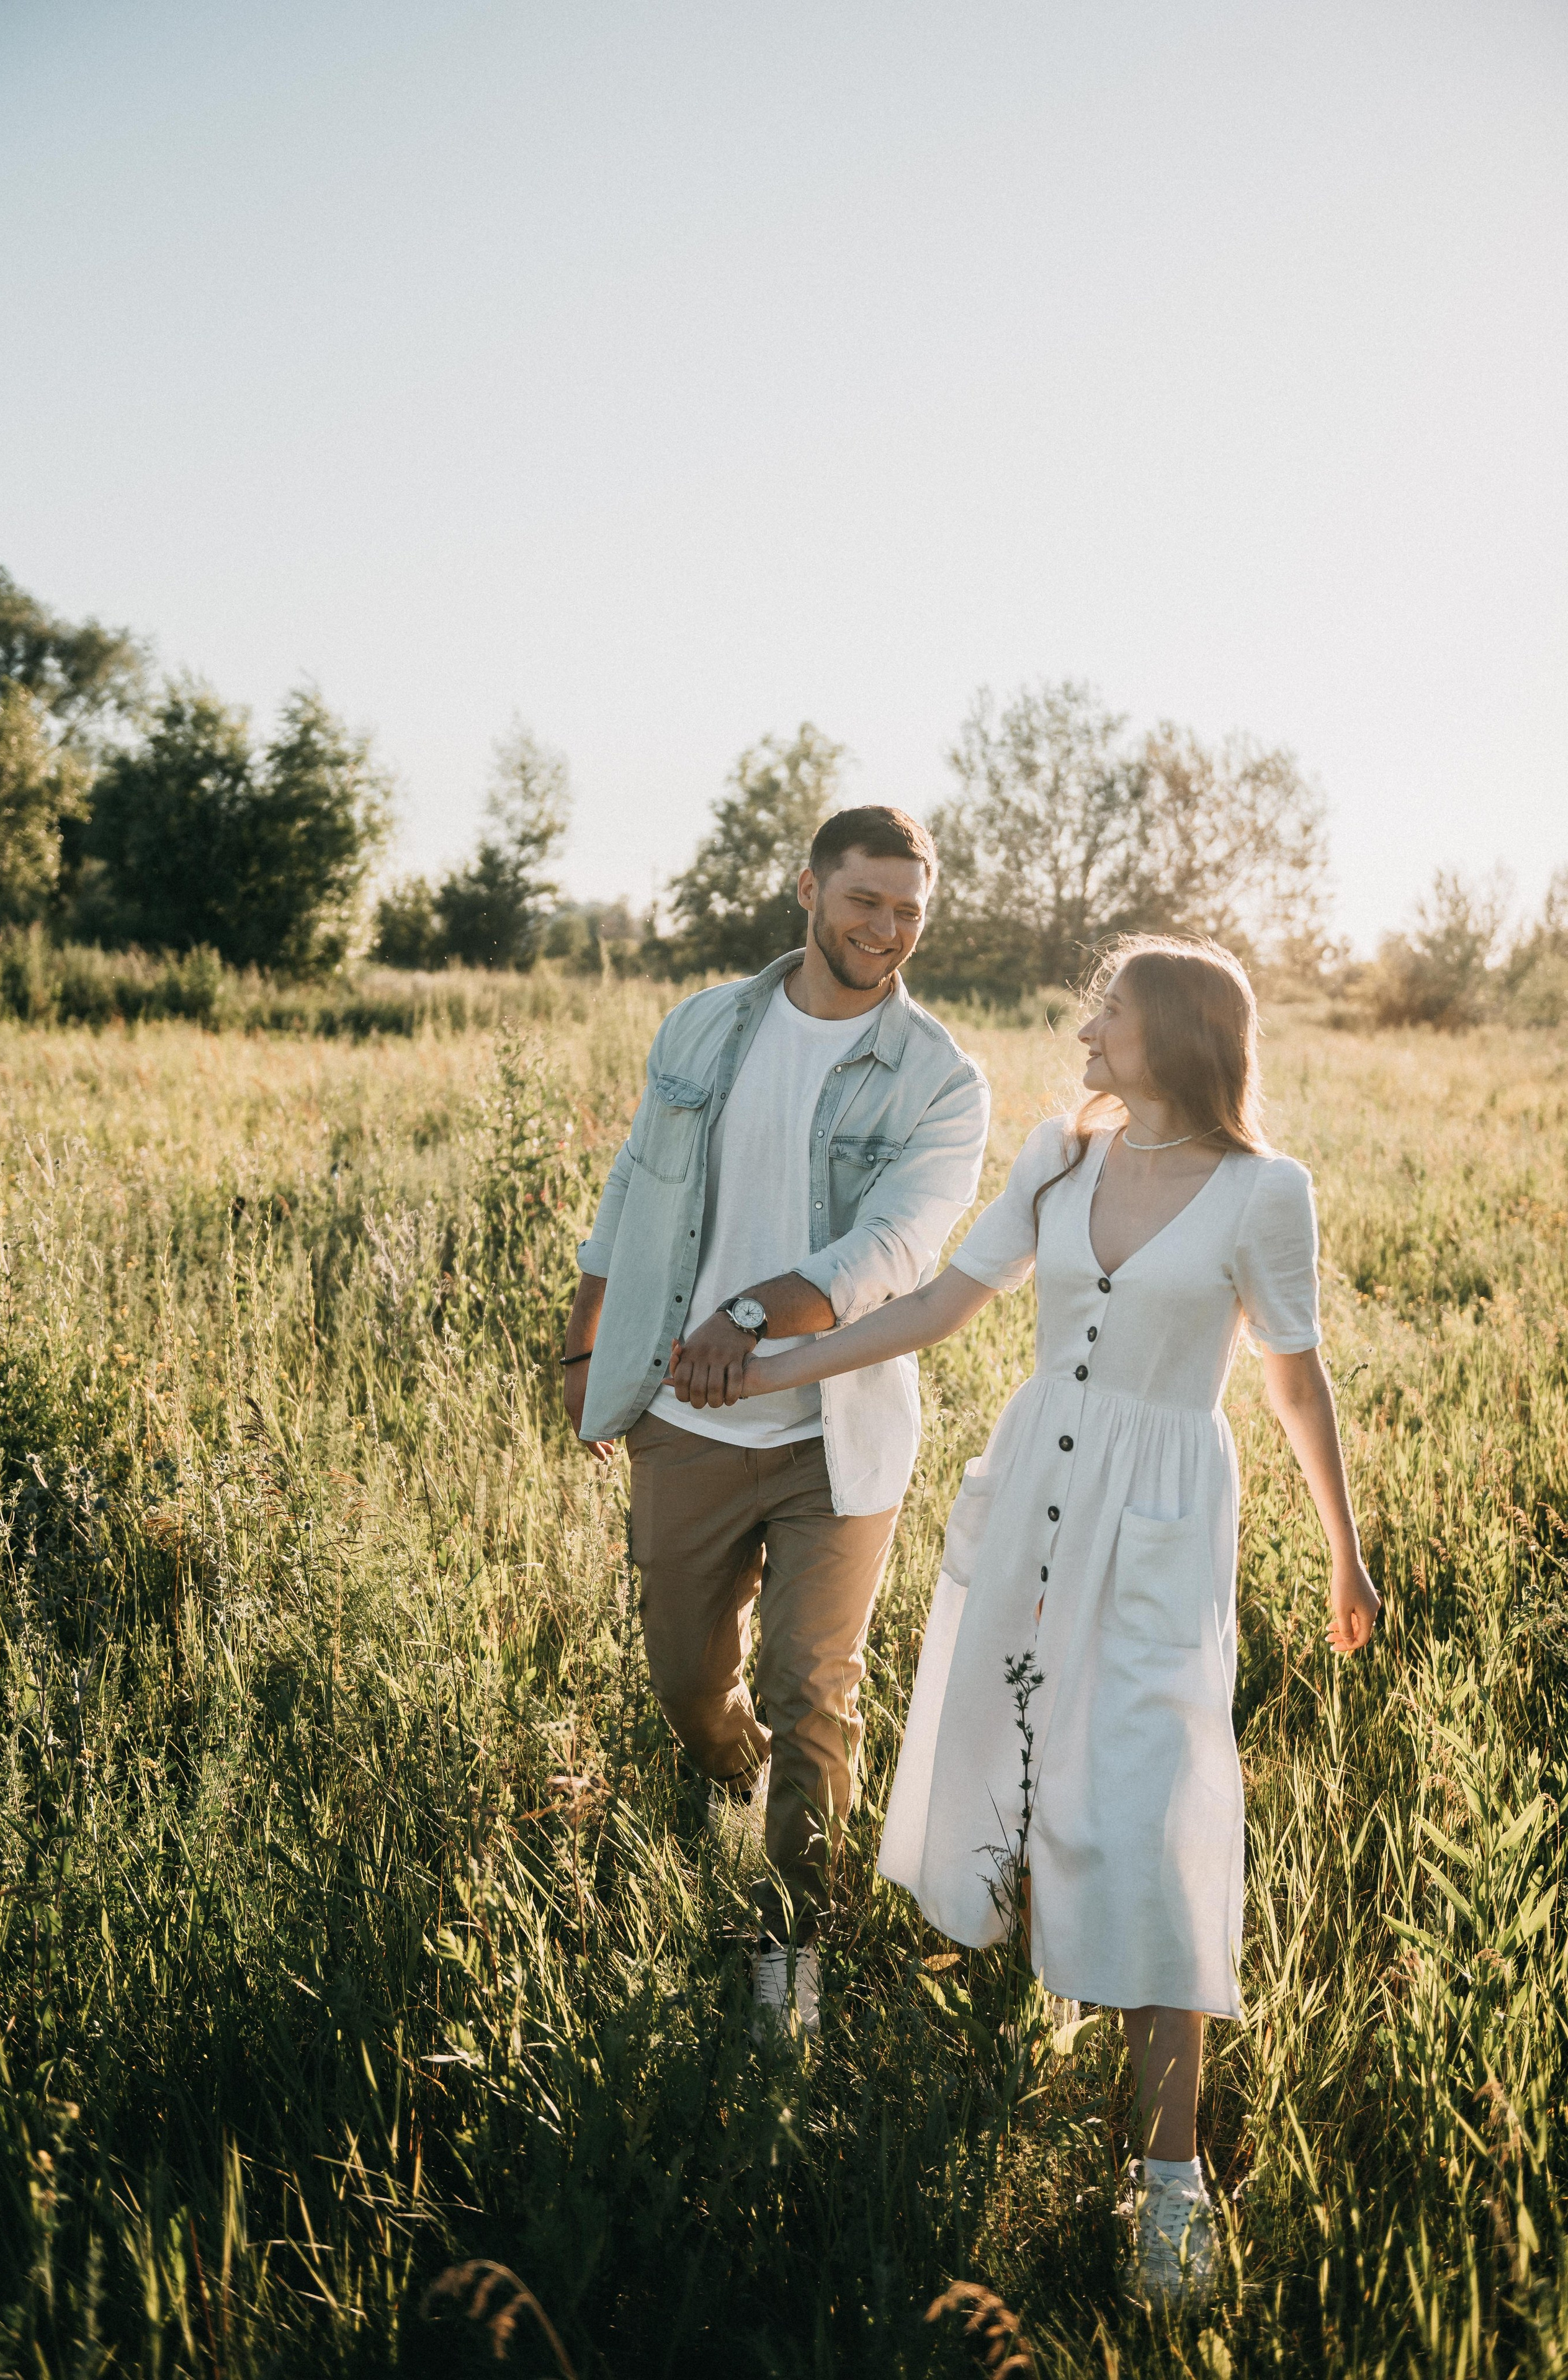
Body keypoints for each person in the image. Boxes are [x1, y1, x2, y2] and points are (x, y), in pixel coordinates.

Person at [736, 935, 1380, 2297]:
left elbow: (1292, 1380)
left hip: (1160, 1519)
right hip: (1033, 1496)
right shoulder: (1057, 1155)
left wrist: (1344, 1550)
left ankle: (1167, 2182)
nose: (1086, 1025)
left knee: (1157, 1816)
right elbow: (938, 1306)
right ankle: (995, 2047)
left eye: (1112, 1009)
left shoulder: (1266, 1191)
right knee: (1007, 1772)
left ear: (1180, 1034)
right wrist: (777, 1361)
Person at [563, 806, 991, 2038]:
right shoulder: (702, 1023)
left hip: (835, 1439)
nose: (886, 930)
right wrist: (589, 1338)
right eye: (864, 901)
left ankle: (794, 1956)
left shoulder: (939, 1079)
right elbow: (636, 1185)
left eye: (908, 910)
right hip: (686, 1419)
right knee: (686, 1683)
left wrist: (749, 1314)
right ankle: (731, 1776)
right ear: (807, 887)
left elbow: (894, 1250)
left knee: (815, 1693)